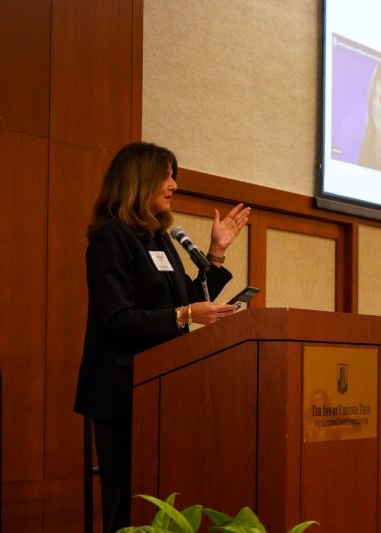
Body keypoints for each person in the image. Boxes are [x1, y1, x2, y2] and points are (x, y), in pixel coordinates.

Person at [73, 142, 250, 532]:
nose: (173, 184)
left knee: (162, 501)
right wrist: (187, 315)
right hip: (122, 391)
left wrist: (216, 254)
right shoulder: (110, 237)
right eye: (166, 175)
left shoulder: (158, 238)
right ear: (139, 179)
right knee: (126, 502)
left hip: (163, 389)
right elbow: (118, 319)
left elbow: (185, 299)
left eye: (174, 176)